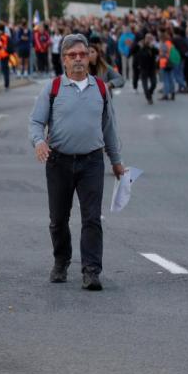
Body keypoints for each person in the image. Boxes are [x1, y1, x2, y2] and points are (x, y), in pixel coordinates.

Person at [29, 34, 124, 291]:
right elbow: (37, 122)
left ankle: (91, 271)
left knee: (92, 218)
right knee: (58, 219)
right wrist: (39, 142)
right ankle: (61, 261)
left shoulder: (101, 89)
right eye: (73, 56)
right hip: (59, 162)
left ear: (89, 57)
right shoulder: (52, 89)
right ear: (64, 60)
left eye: (83, 54)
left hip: (91, 162)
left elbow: (109, 128)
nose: (79, 59)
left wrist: (116, 162)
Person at [134, 34, 159, 104]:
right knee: (145, 84)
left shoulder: (152, 46)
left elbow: (157, 53)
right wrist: (142, 48)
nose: (148, 40)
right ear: (145, 39)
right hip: (143, 67)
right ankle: (148, 97)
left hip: (152, 67)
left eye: (150, 38)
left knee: (154, 83)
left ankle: (149, 93)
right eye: (147, 38)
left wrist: (152, 48)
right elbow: (138, 55)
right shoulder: (141, 45)